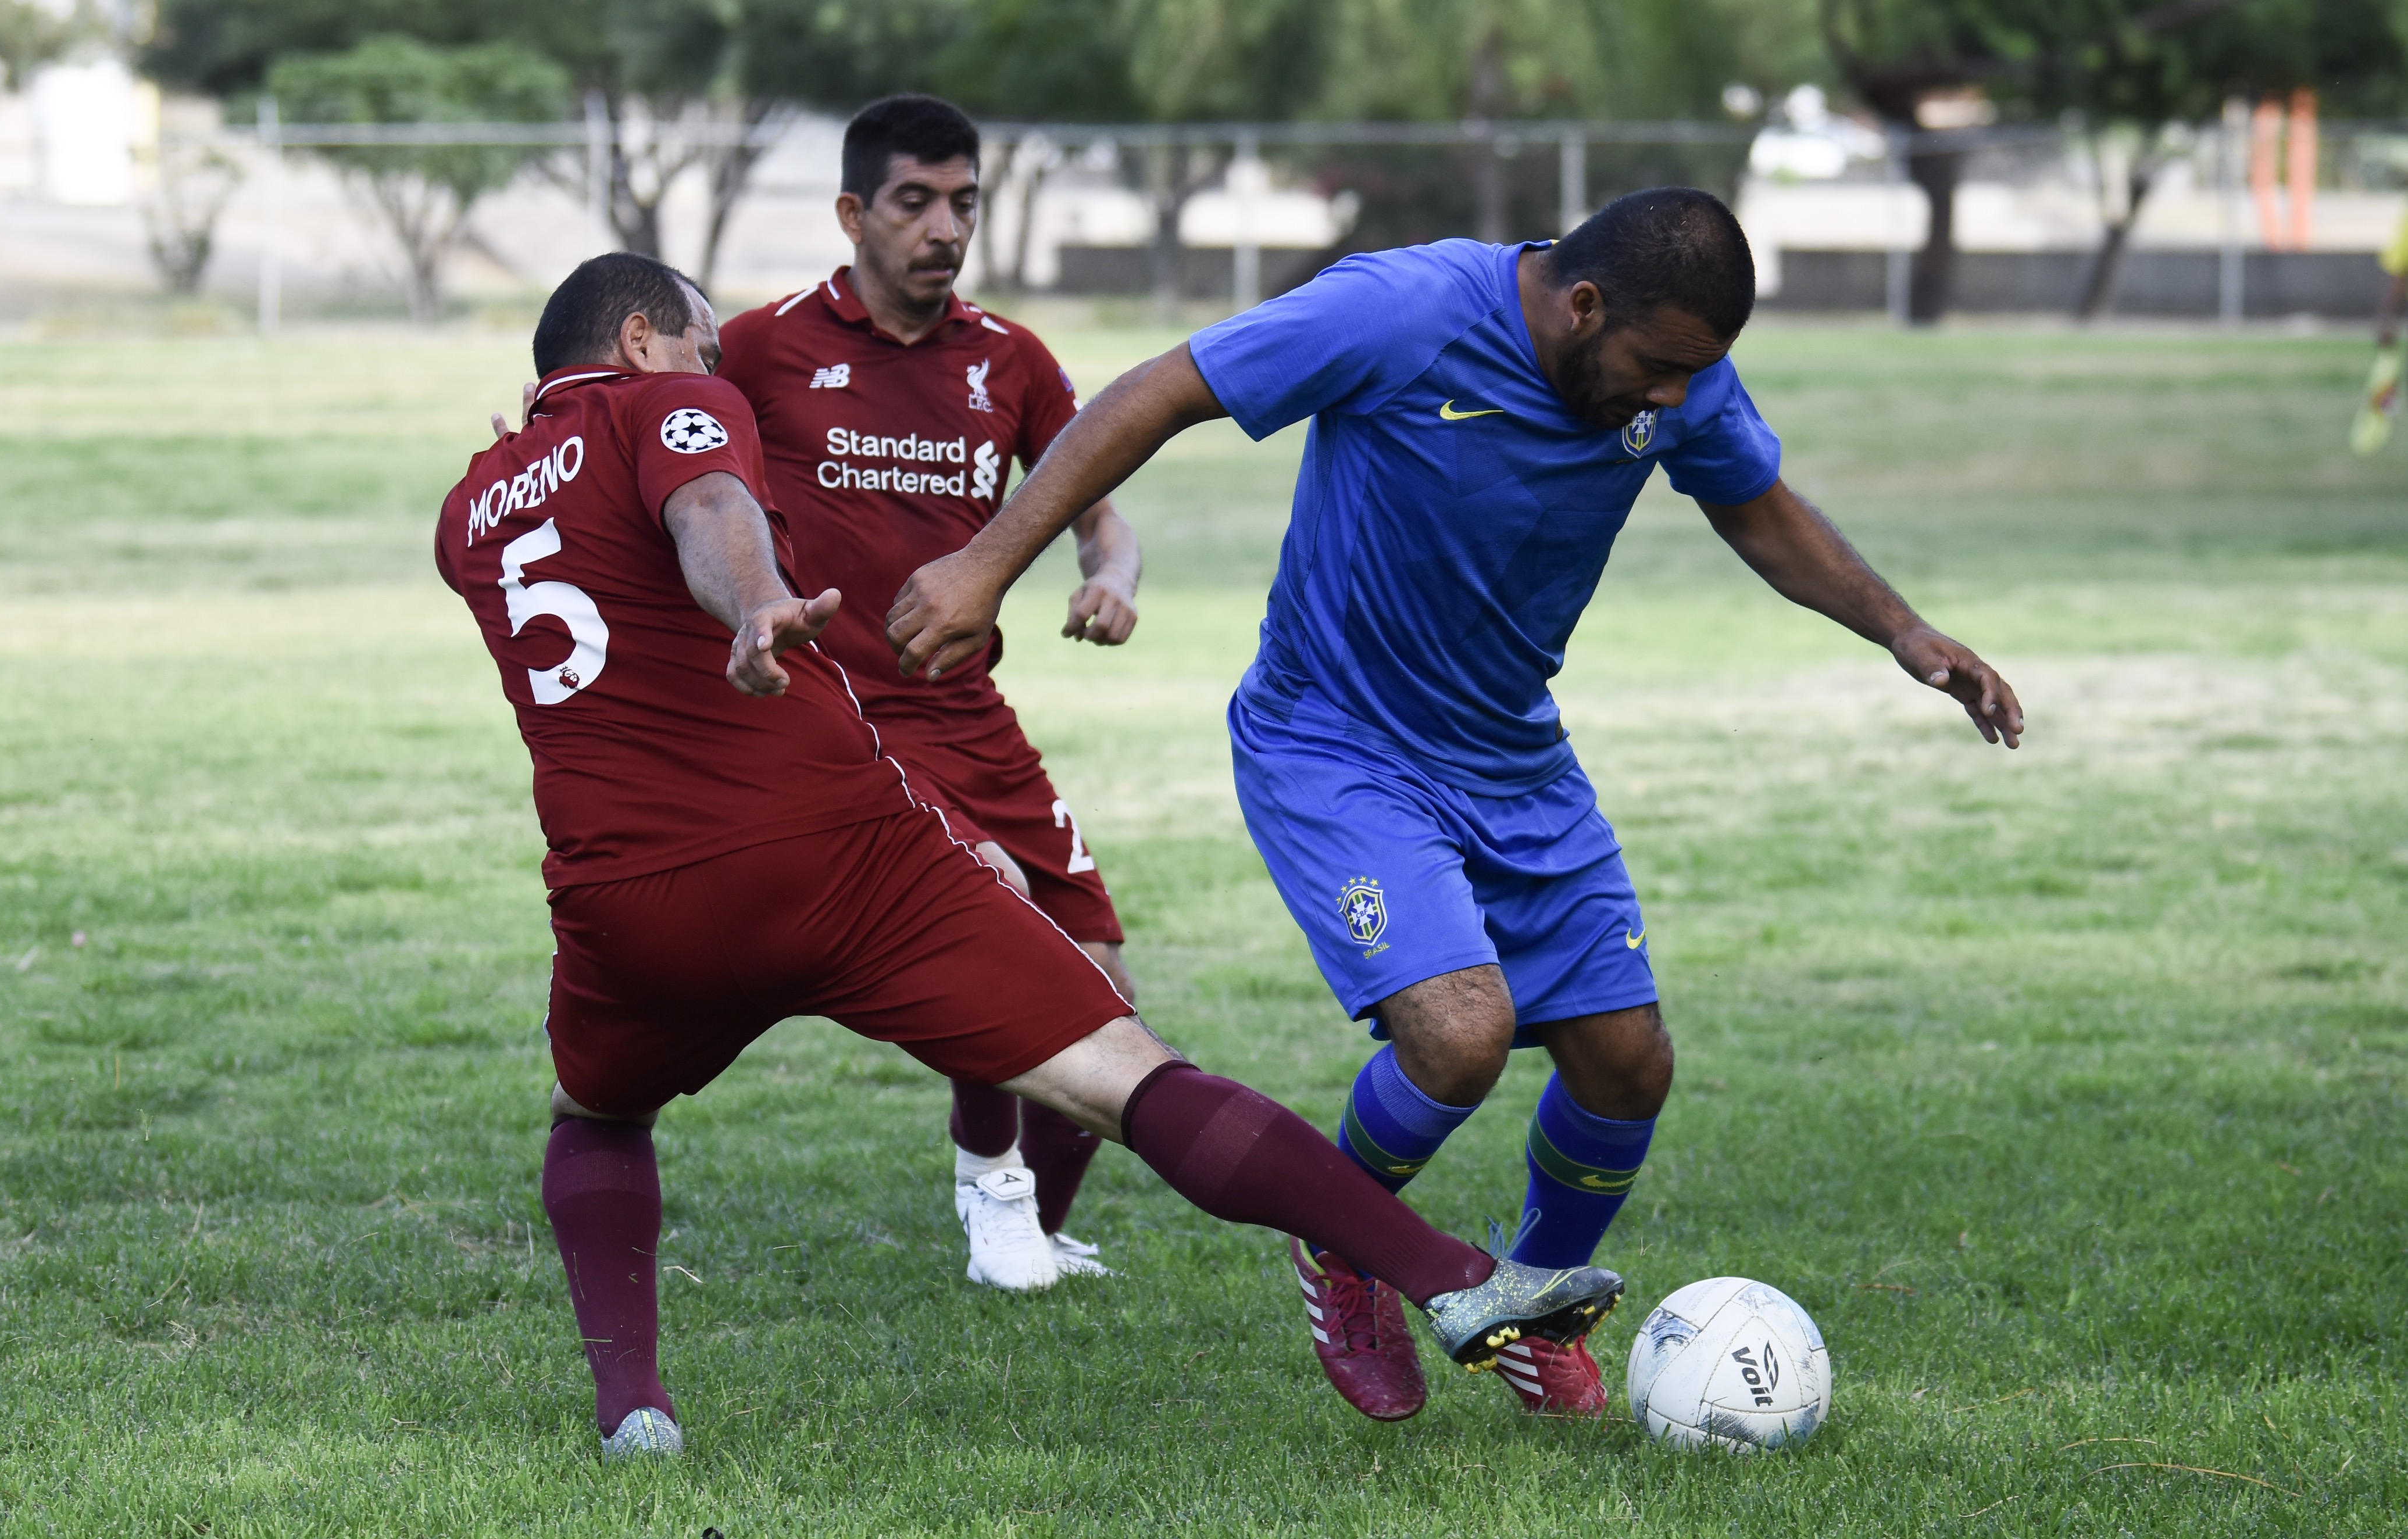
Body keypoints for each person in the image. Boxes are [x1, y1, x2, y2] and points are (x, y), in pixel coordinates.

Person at [435, 249, 1621, 1461]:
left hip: (624, 897)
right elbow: (709, 509)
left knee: (596, 1116)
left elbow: (582, 520)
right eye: (697, 345)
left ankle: (635, 1408)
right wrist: (751, 601)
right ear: (639, 343)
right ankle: (1452, 1273)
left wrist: (550, 451)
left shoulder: (469, 505)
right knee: (1131, 1075)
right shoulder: (672, 402)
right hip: (832, 855)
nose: (711, 369)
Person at [884, 188, 2025, 1424]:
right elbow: (1165, 389)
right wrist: (989, 560)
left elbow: (1752, 501)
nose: (1675, 403)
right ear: (1584, 305)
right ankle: (1345, 1244)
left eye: (1696, 378)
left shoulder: (1674, 376)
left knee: (1627, 1065)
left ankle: (1533, 1298)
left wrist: (1903, 629)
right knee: (1461, 1033)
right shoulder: (1405, 310)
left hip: (1513, 755)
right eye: (1657, 370)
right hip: (1337, 741)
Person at [712, 95, 1141, 1293]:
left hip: (972, 715)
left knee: (1102, 975)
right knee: (992, 927)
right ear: (854, 213)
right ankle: (991, 1188)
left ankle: (1033, 1224)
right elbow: (662, 453)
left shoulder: (1011, 361)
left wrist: (1111, 576)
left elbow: (1102, 507)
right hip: (840, 725)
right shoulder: (761, 349)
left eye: (963, 202)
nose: (944, 226)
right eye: (915, 200)